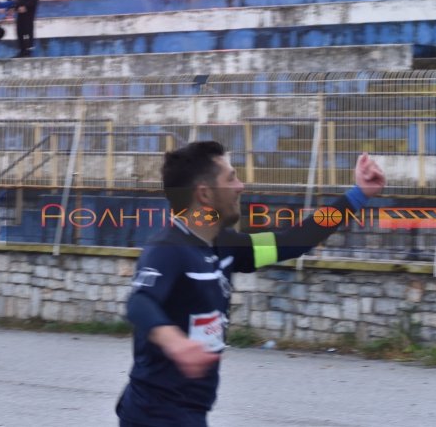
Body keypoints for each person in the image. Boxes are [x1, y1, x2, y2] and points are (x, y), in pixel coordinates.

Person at [115, 142, 385, 426]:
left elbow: (292, 242)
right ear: (205, 194)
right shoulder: (167, 249)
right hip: (153, 416)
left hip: (189, 413)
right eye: (231, 178)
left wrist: (358, 195)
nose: (240, 186)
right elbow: (140, 302)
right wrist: (175, 342)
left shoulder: (227, 245)